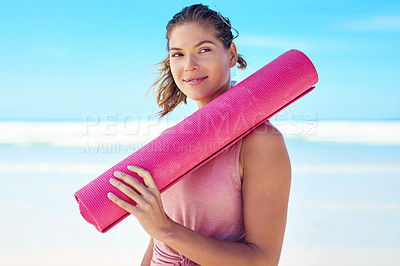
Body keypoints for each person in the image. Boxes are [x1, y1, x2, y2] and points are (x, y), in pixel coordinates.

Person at [107, 4, 291, 266]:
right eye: (178, 54)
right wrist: (161, 230)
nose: (189, 65)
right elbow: (157, 244)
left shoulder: (261, 143)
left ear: (231, 55)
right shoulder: (175, 139)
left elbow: (262, 261)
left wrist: (165, 229)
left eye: (203, 50)